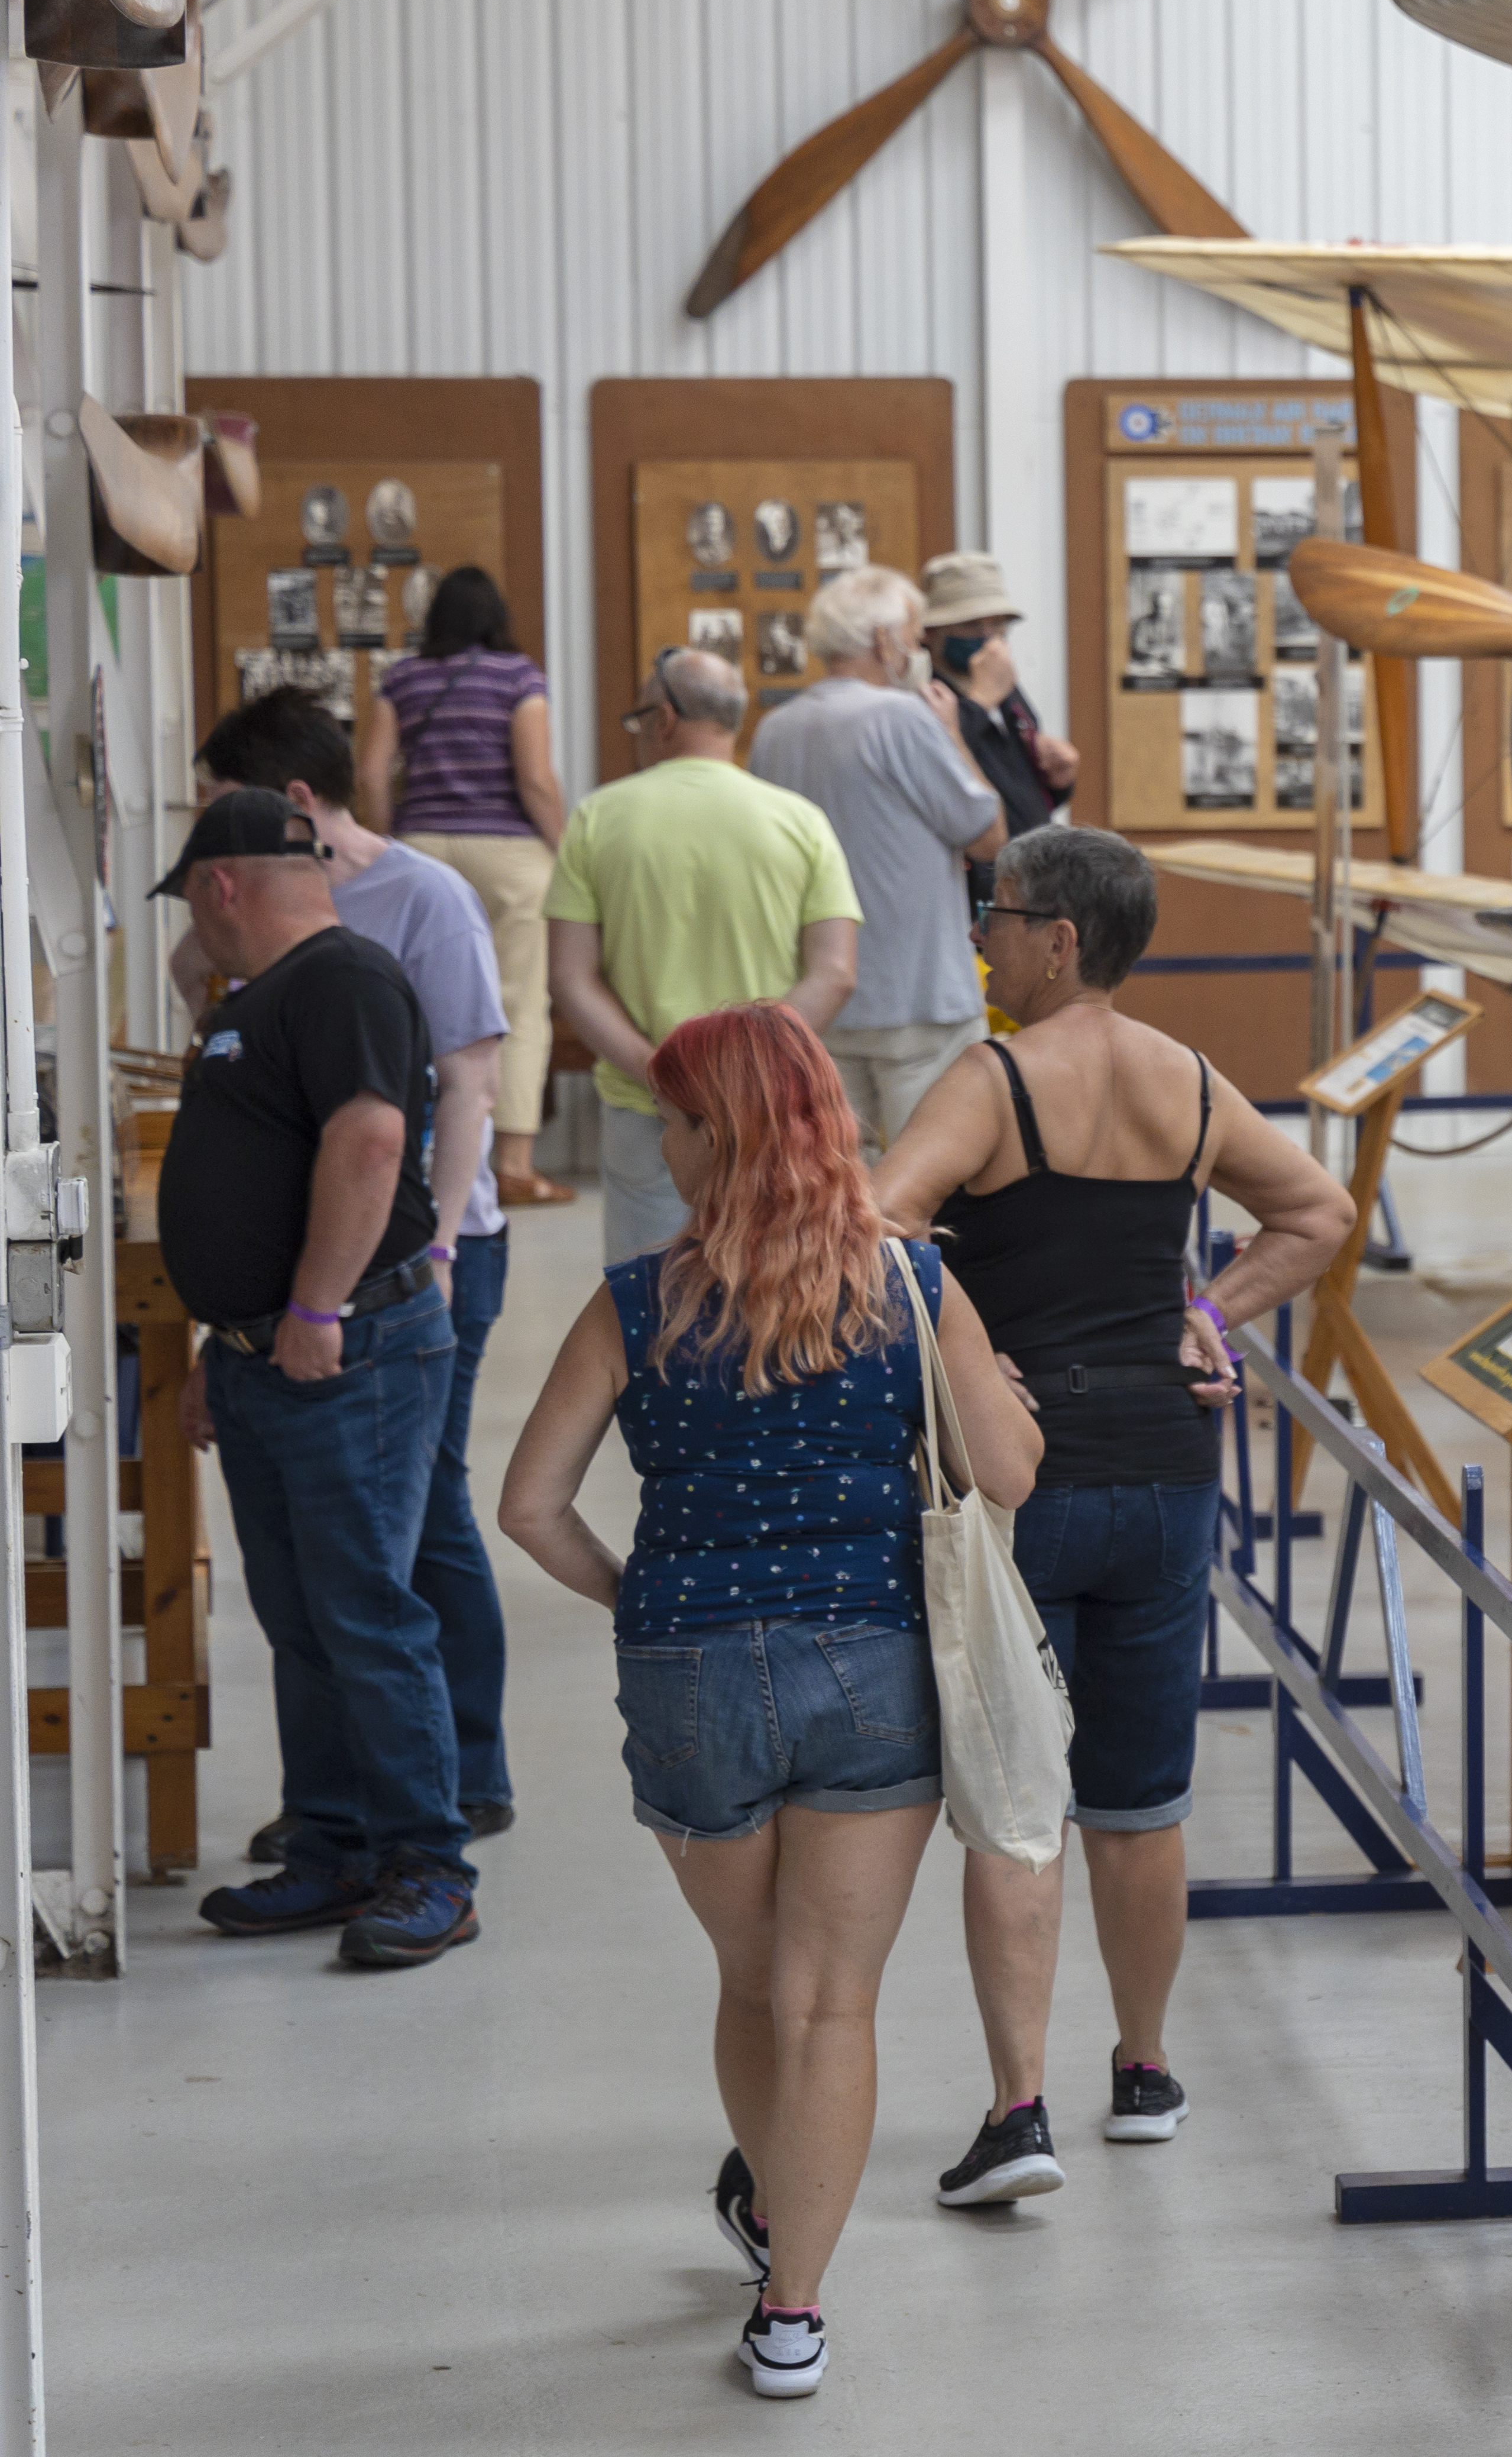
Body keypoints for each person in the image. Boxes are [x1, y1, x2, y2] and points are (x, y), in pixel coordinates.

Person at [499, 1003, 1041, 2399]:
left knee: (753, 1981)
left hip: (689, 1669)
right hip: (870, 1662)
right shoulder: (912, 1286)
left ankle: (767, 2214)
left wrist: (640, 1594)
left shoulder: (633, 1303)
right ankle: (790, 2307)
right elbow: (1007, 1474)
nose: (663, 1144)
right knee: (831, 2002)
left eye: (676, 1120)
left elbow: (530, 1505)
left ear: (717, 1136)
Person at [869, 827, 1348, 2200]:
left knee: (1018, 1804)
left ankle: (1019, 2109)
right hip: (1167, 1468)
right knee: (1142, 1803)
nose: (983, 940)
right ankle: (1142, 2069)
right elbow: (1315, 1209)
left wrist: (967, 1347)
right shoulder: (1187, 1081)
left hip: (1031, 1471)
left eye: (998, 918)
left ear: (1061, 938)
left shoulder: (996, 1079)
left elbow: (880, 1224)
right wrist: (1206, 1312)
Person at [187, 690, 522, 1850]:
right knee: (333, 1575)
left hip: (416, 1262)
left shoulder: (414, 904)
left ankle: (455, 1789)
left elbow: (458, 1087)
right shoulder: (265, 942)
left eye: (211, 807)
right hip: (313, 1287)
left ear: (282, 809)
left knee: (417, 1528)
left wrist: (425, 1256)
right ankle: (338, 1818)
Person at [161, 790, 477, 1968]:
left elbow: (370, 1143)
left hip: (350, 1353)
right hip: (268, 1357)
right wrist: (228, 1342)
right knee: (301, 1617)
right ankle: (337, 1846)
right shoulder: (264, 1000)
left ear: (219, 887)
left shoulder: (339, 979)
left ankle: (429, 1866)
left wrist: (309, 1308)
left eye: (195, 905)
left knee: (364, 1610)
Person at [546, 648, 860, 1262]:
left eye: (638, 719)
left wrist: (662, 1071)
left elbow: (570, 977)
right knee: (775, 1284)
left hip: (645, 1105)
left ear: (664, 718)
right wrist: (747, 1069)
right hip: (767, 1109)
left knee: (650, 1299)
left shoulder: (597, 818)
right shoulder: (800, 821)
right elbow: (835, 971)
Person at [750, 567, 1002, 1147]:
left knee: (839, 1183)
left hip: (822, 996)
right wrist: (955, 734)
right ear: (885, 640)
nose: (917, 651)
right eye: (913, 637)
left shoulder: (775, 730)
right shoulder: (902, 717)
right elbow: (986, 835)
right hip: (919, 996)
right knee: (933, 1177)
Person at [374, 567, 572, 1207]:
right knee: (518, 1006)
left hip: (424, 852)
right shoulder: (519, 678)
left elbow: (372, 775)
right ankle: (512, 1162)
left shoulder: (400, 679)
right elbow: (536, 779)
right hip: (510, 855)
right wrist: (568, 853)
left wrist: (382, 853)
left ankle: (423, 1149)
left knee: (415, 1005)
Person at [921, 552, 1076, 913]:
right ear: (931, 632)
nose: (989, 639)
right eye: (972, 626)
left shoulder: (1006, 688)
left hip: (1032, 881)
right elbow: (942, 765)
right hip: (972, 896)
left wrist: (1058, 779)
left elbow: (1014, 781)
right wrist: (980, 701)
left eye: (999, 626)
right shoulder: (923, 696)